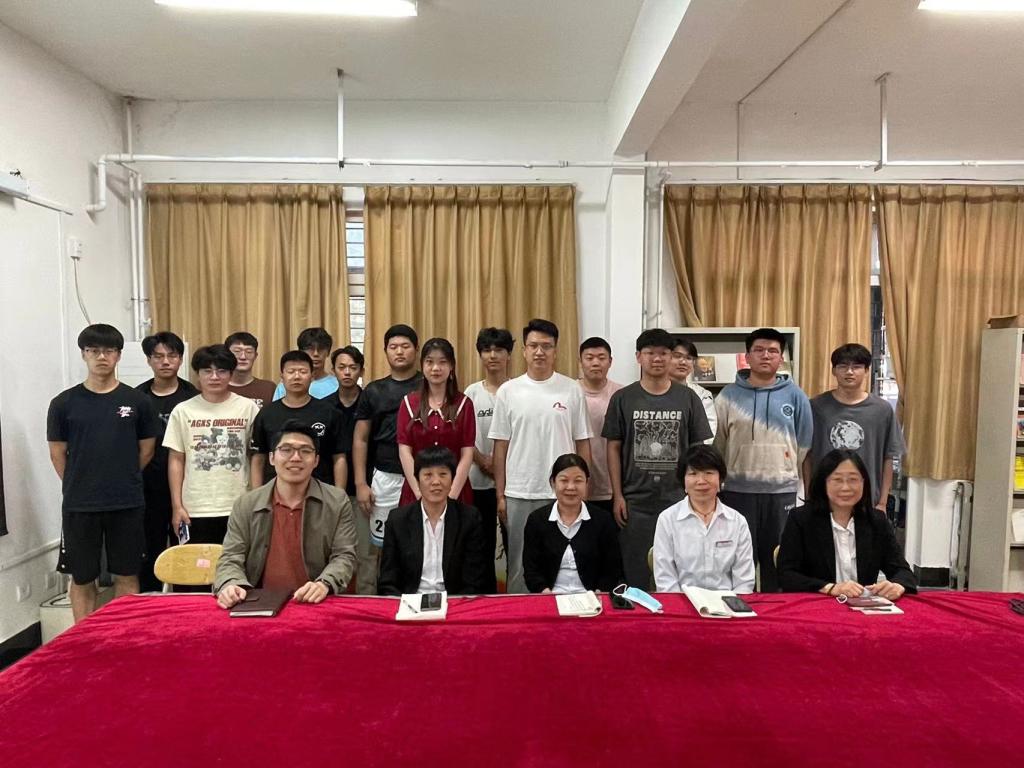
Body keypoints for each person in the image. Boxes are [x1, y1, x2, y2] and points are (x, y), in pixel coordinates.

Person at [47, 324, 157, 622]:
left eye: (109, 351)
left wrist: (123, 476)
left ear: (118, 355)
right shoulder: (63, 404)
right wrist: (79, 483)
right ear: (84, 354)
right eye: (93, 350)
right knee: (82, 577)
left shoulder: (137, 401)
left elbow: (146, 449)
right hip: (80, 504)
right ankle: (84, 636)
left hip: (126, 501)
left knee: (127, 573)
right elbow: (57, 453)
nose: (101, 357)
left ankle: (124, 634)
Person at [603, 328, 712, 588]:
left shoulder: (688, 398)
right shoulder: (623, 398)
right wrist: (618, 495)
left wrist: (694, 495)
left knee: (679, 572)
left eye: (664, 353)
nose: (657, 358)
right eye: (650, 353)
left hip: (678, 499)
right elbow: (613, 448)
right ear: (638, 357)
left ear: (671, 357)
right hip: (634, 502)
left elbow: (697, 451)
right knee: (637, 574)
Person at [489, 318, 592, 594]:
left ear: (555, 351)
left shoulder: (572, 389)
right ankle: (520, 614)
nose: (539, 352)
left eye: (546, 346)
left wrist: (584, 488)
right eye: (533, 345)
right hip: (519, 491)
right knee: (519, 565)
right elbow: (500, 447)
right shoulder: (508, 391)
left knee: (561, 564)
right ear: (523, 350)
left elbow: (582, 443)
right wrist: (500, 494)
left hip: (563, 492)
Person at [214, 421, 358, 608]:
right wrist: (231, 583)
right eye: (286, 449)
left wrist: (324, 583)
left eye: (305, 451)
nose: (296, 457)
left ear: (316, 460)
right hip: (259, 605)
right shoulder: (246, 504)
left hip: (316, 604)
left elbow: (345, 556)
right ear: (272, 458)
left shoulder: (337, 502)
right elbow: (231, 557)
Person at [714, 327, 812, 592]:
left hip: (781, 492)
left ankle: (775, 607)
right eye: (758, 350)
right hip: (737, 491)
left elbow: (804, 444)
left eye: (772, 351)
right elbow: (718, 444)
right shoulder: (727, 396)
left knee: (778, 559)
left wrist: (786, 472)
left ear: (781, 357)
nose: (765, 355)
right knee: (738, 557)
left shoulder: (796, 396)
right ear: (747, 356)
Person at [778, 449, 916, 599]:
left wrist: (897, 585)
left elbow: (903, 572)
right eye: (837, 480)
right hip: (818, 603)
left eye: (853, 480)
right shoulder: (801, 519)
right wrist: (830, 588)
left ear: (864, 483)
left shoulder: (876, 521)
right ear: (823, 483)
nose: (845, 487)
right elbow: (786, 575)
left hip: (862, 605)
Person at [164, 344, 260, 545]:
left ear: (231, 374)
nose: (214, 377)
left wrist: (256, 501)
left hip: (239, 506)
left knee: (238, 562)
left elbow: (256, 458)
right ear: (198, 374)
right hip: (195, 508)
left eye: (221, 371)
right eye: (207, 371)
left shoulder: (248, 408)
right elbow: (176, 460)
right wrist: (176, 506)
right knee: (198, 564)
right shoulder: (183, 411)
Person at [805, 343, 905, 511]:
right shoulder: (815, 407)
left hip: (867, 501)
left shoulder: (882, 410)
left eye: (856, 367)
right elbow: (807, 455)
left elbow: (888, 457)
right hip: (823, 500)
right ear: (833, 371)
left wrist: (882, 502)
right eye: (843, 366)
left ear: (866, 371)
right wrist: (809, 498)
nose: (849, 372)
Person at [377, 447, 488, 596]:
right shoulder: (398, 520)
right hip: (410, 602)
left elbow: (474, 581)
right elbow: (387, 581)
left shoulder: (469, 519)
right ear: (417, 480)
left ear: (452, 479)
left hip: (454, 601)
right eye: (428, 475)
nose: (436, 482)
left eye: (443, 474)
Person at [135, 331, 199, 592]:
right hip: (146, 487)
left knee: (185, 551)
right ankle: (150, 601)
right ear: (148, 360)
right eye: (158, 356)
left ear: (180, 359)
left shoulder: (193, 396)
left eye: (172, 355)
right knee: (148, 550)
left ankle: (185, 603)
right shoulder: (137, 398)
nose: (165, 361)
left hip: (187, 488)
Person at [353, 324, 423, 549]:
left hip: (423, 475)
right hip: (385, 477)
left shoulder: (429, 386)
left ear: (416, 350)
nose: (399, 351)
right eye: (393, 347)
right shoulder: (373, 390)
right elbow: (360, 439)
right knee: (383, 547)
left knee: (421, 543)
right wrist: (360, 483)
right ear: (385, 351)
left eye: (405, 346)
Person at [653, 445, 754, 593]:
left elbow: (744, 582)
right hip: (683, 603)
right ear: (683, 481)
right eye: (693, 473)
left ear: (720, 479)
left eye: (708, 473)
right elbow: (665, 580)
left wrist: (731, 604)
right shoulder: (667, 520)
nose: (701, 481)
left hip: (727, 603)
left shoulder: (738, 522)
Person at [523, 454, 623, 594]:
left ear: (587, 483)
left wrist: (598, 594)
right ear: (553, 482)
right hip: (549, 597)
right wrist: (546, 594)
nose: (571, 487)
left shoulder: (603, 520)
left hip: (592, 598)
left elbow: (612, 568)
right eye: (564, 480)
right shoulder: (537, 520)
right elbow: (531, 570)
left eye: (578, 481)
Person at [397, 338, 475, 509]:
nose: (435, 368)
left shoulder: (464, 404)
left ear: (451, 366)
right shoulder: (409, 403)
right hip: (416, 492)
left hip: (456, 491)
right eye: (429, 362)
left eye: (442, 362)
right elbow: (404, 451)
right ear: (422, 365)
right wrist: (420, 493)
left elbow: (467, 453)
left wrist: (451, 497)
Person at [464, 327, 514, 593]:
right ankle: (485, 596)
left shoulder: (518, 390)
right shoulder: (471, 393)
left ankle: (515, 596)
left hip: (512, 483)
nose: (493, 355)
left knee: (513, 542)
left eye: (499, 350)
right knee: (481, 544)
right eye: (487, 350)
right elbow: (464, 436)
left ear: (509, 355)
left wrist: (501, 466)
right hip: (478, 481)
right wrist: (483, 460)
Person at [250, 350, 346, 488]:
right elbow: (259, 458)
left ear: (312, 376)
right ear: (282, 376)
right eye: (291, 371)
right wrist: (257, 494)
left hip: (321, 491)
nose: (297, 376)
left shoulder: (330, 413)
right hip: (277, 491)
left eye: (303, 371)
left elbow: (339, 457)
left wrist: (339, 495)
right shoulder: (266, 414)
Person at [330, 344, 377, 594]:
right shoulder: (324, 406)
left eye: (353, 367)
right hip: (331, 490)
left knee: (367, 551)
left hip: (365, 488)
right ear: (333, 370)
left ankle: (368, 598)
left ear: (361, 371)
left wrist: (364, 484)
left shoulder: (371, 402)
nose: (347, 372)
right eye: (342, 367)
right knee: (333, 550)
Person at [578, 337, 622, 513]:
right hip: (575, 486)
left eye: (601, 358)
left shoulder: (622, 395)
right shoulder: (569, 393)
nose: (595, 363)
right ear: (580, 361)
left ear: (610, 361)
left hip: (613, 487)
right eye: (589, 358)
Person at [272, 327, 339, 401]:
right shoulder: (287, 384)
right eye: (310, 349)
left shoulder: (337, 385)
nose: (316, 354)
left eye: (321, 349)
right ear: (301, 352)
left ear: (328, 352)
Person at [671, 338, 717, 441]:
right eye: (677, 356)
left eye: (689, 358)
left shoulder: (702, 394)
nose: (683, 362)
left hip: (693, 450)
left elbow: (709, 434)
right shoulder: (655, 391)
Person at [225, 331, 276, 408]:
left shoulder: (269, 388)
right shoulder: (217, 387)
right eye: (237, 351)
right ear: (227, 355)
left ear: (255, 356)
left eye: (249, 352)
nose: (243, 357)